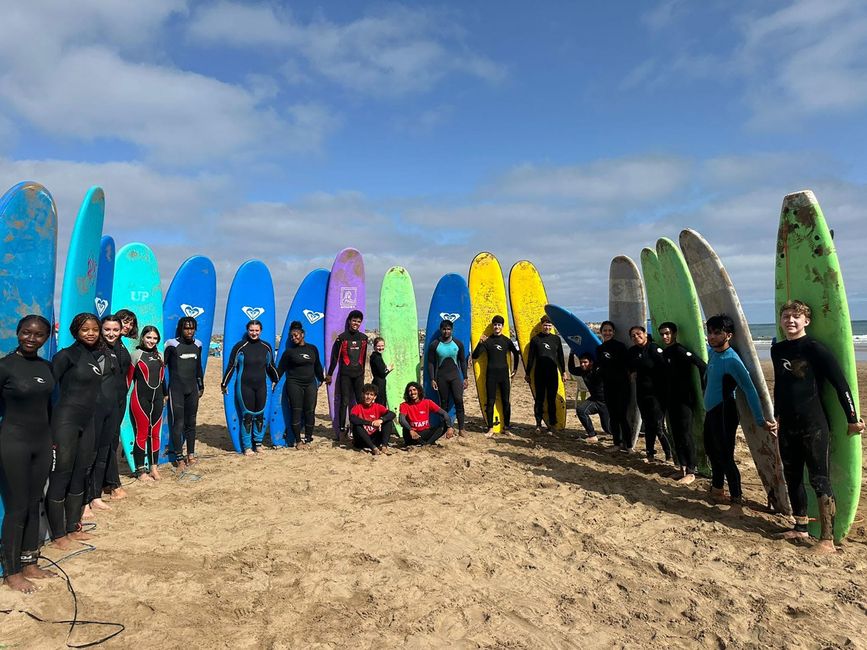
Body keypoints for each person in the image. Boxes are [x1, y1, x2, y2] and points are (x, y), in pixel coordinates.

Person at [771, 300, 864, 552]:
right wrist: (776, 416)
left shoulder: (814, 348)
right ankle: (800, 527)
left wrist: (852, 418)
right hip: (787, 424)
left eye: (796, 316)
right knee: (792, 476)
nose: (790, 320)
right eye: (786, 316)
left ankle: (826, 539)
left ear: (806, 321)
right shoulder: (777, 350)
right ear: (781, 321)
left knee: (819, 478)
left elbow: (840, 384)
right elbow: (780, 386)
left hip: (814, 424)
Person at [0, 315, 56, 592]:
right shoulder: (5, 367)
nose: (31, 338)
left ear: (46, 338)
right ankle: (12, 572)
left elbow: (49, 407)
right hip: (13, 443)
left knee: (35, 503)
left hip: (41, 443)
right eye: (26, 333)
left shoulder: (47, 367)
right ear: (18, 332)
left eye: (38, 335)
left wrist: (53, 440)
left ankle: (30, 562)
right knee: (17, 507)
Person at [703, 314, 777, 507]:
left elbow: (750, 389)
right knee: (711, 450)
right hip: (711, 411)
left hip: (724, 412)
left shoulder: (731, 360)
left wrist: (760, 419)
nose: (711, 336)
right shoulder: (713, 353)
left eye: (716, 333)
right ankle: (717, 489)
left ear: (728, 335)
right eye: (709, 332)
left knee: (725, 455)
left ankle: (736, 497)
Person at [46, 313, 102, 550]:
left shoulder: (93, 357)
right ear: (75, 331)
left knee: (81, 473)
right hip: (65, 421)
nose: (91, 333)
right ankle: (59, 535)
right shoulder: (65, 356)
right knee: (62, 474)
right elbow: (47, 389)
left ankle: (73, 527)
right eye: (85, 329)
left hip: (87, 422)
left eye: (95, 329)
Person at [221, 320, 279, 454]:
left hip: (261, 385)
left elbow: (270, 366)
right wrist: (224, 383)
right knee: (247, 415)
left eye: (257, 330)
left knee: (259, 414)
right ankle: (247, 446)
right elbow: (231, 366)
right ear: (248, 330)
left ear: (261, 331)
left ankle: (258, 443)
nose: (254, 333)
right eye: (251, 330)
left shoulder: (266, 346)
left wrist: (276, 379)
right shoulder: (240, 347)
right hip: (244, 386)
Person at [88, 315, 126, 512]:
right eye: (107, 330)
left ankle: (96, 495)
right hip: (96, 409)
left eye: (115, 330)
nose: (111, 333)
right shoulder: (95, 352)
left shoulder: (116, 349)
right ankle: (88, 498)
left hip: (114, 406)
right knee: (92, 453)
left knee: (106, 450)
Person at [275, 320, 325, 449]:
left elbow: (318, 366)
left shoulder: (312, 348)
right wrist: (274, 382)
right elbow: (280, 369)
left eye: (296, 335)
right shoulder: (289, 352)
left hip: (310, 383)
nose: (294, 338)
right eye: (291, 336)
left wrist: (322, 379)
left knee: (310, 411)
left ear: (302, 334)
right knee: (296, 411)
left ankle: (308, 439)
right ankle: (298, 441)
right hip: (294, 384)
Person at [165, 317, 204, 469]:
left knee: (191, 422)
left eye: (192, 328)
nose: (189, 331)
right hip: (176, 389)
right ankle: (179, 457)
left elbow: (198, 367)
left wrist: (201, 385)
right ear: (181, 328)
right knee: (178, 423)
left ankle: (191, 454)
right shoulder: (171, 344)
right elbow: (162, 367)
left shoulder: (198, 345)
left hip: (192, 389)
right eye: (186, 328)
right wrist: (163, 390)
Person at [628, 326, 672, 462]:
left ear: (645, 334)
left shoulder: (654, 349)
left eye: (639, 334)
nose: (636, 337)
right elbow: (630, 366)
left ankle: (669, 454)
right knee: (648, 424)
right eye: (633, 335)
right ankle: (650, 454)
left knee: (659, 426)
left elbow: (666, 368)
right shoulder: (632, 351)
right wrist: (632, 372)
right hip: (642, 393)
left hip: (657, 395)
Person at [128, 326, 167, 480]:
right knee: (142, 434)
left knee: (155, 434)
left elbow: (163, 379)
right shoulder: (136, 355)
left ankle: (154, 468)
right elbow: (128, 380)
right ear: (142, 338)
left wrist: (165, 395)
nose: (152, 341)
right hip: (140, 399)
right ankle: (140, 470)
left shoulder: (160, 355)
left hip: (157, 399)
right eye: (149, 337)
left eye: (155, 338)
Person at [471, 315, 520, 436]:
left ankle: (506, 428)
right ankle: (490, 428)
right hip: (491, 375)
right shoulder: (488, 341)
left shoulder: (506, 340)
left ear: (502, 327)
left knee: (506, 402)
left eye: (499, 325)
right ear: (493, 326)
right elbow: (475, 356)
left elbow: (516, 353)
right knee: (490, 401)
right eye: (495, 325)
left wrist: (514, 369)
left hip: (504, 375)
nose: (497, 327)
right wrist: (480, 342)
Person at [325, 310, 367, 440]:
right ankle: (342, 429)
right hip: (345, 375)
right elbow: (335, 358)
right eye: (354, 320)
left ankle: (358, 428)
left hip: (359, 375)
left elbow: (363, 358)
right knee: (345, 402)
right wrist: (330, 374)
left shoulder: (364, 338)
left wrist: (363, 373)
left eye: (358, 321)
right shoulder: (341, 338)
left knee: (359, 402)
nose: (356, 323)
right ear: (349, 321)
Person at [426, 319, 468, 436]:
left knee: (458, 400)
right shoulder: (434, 344)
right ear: (441, 330)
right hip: (441, 377)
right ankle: (447, 427)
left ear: (452, 330)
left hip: (455, 376)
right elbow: (431, 363)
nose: (446, 331)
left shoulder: (458, 344)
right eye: (444, 329)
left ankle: (461, 428)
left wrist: (465, 377)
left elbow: (462, 361)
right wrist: (432, 379)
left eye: (448, 329)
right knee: (443, 403)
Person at [595, 321, 632, 451]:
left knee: (622, 416)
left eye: (610, 330)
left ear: (614, 332)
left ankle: (629, 445)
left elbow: (627, 365)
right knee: (613, 416)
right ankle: (617, 443)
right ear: (601, 332)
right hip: (608, 387)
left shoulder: (620, 346)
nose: (607, 333)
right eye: (605, 330)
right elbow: (599, 367)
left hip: (622, 387)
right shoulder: (599, 349)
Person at [525, 315, 566, 432]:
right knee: (539, 399)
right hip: (539, 374)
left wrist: (563, 372)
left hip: (553, 374)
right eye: (545, 325)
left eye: (549, 325)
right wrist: (528, 373)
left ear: (552, 326)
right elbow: (531, 358)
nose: (547, 327)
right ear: (541, 325)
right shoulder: (535, 340)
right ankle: (538, 423)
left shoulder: (556, 339)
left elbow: (561, 357)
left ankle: (552, 424)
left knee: (551, 399)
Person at [568, 352, 609, 443]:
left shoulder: (599, 369)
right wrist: (571, 354)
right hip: (594, 400)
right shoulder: (582, 371)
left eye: (585, 362)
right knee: (581, 410)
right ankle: (592, 435)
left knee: (607, 428)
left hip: (606, 402)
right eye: (581, 362)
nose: (582, 364)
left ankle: (625, 439)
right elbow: (571, 369)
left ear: (591, 362)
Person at [399, 382, 454, 447]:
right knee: (405, 428)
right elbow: (401, 420)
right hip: (412, 435)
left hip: (425, 433)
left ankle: (427, 444)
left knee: (445, 424)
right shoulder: (404, 405)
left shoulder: (427, 402)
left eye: (414, 390)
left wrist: (449, 427)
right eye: (410, 391)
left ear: (419, 391)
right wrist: (411, 430)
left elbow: (444, 413)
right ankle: (426, 443)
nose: (412, 392)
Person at [349, 384, 396, 455]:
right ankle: (373, 448)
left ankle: (384, 447)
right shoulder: (357, 407)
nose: (368, 397)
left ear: (375, 397)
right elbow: (352, 419)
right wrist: (371, 423)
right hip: (361, 440)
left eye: (371, 395)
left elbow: (392, 414)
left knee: (388, 421)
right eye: (367, 394)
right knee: (357, 426)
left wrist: (381, 420)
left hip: (375, 439)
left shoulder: (378, 407)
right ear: (363, 395)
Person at [369, 337, 392, 406]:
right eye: (378, 346)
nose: (381, 348)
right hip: (379, 383)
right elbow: (382, 374)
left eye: (382, 346)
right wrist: (389, 369)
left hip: (377, 382)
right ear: (374, 346)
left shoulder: (375, 356)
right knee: (381, 403)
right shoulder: (377, 358)